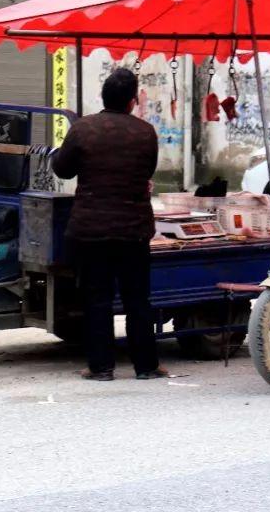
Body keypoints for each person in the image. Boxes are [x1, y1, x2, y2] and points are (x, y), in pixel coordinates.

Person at [52, 67, 167, 381]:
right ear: (132, 101)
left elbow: (62, 170)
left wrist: (55, 156)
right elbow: (147, 171)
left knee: (97, 299)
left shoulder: (83, 129)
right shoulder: (146, 133)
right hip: (133, 230)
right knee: (137, 299)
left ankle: (101, 367)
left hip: (91, 231)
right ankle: (146, 366)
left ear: (103, 96)